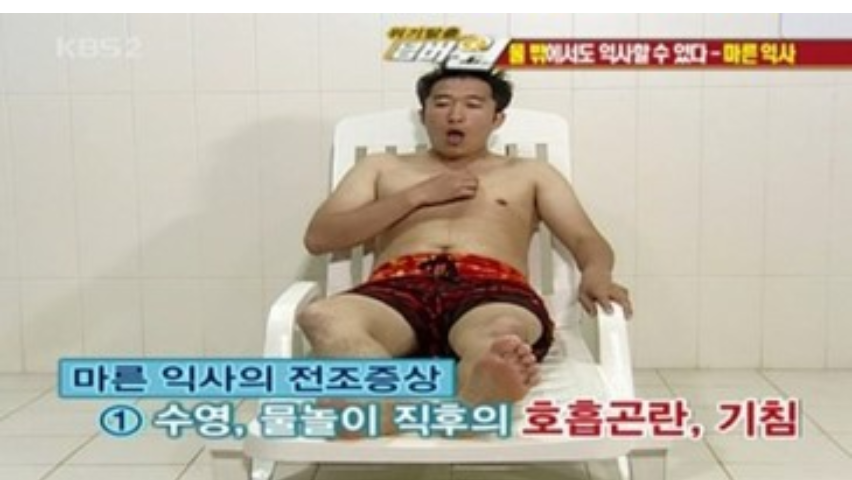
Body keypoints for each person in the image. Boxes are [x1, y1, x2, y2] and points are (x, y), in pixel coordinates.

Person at [298, 65, 632, 416]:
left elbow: (584, 237)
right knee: (324, 316)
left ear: (497, 118)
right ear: (423, 114)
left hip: (493, 289)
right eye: (442, 103)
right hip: (396, 289)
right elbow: (320, 237)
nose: (455, 115)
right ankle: (383, 403)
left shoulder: (530, 173)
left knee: (500, 335)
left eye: (473, 105)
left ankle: (478, 387)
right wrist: (417, 195)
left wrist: (597, 272)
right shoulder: (381, 167)